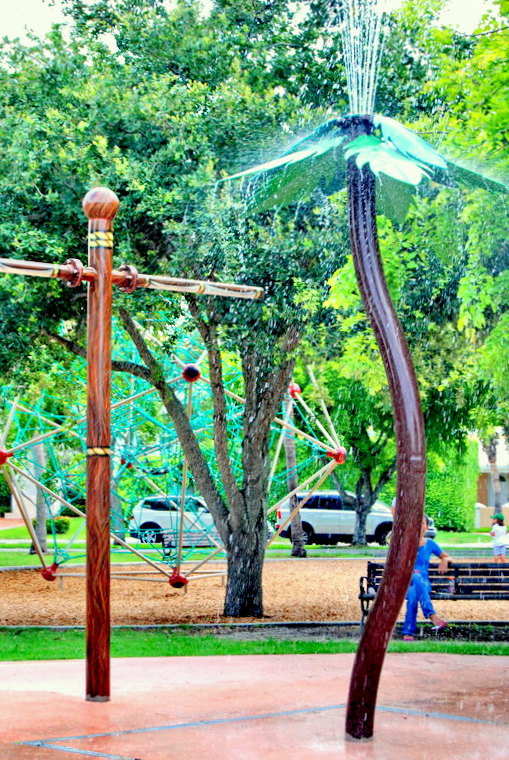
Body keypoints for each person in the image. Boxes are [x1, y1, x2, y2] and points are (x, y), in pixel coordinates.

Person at [402, 514, 449, 641]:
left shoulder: (430, 544)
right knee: (415, 577)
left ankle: (408, 632)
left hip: (423, 583)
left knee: (413, 595)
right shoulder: (405, 544)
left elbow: (445, 556)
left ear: (426, 526)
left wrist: (444, 560)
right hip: (406, 582)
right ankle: (432, 615)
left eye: (422, 522)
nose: (418, 525)